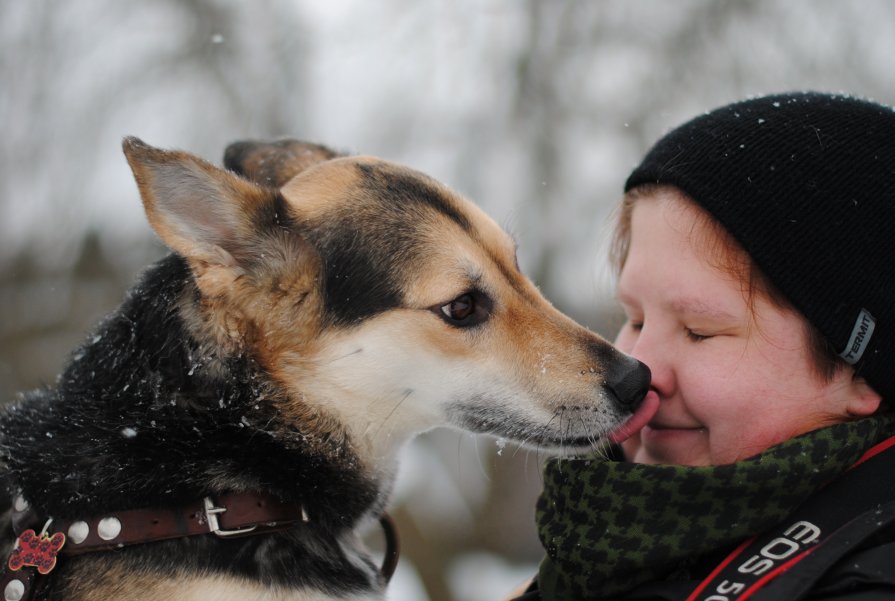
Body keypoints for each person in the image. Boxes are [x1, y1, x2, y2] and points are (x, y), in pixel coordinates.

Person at [510, 91, 895, 600]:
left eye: (700, 330)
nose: (637, 367)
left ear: (859, 369)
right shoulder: (591, 546)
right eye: (635, 318)